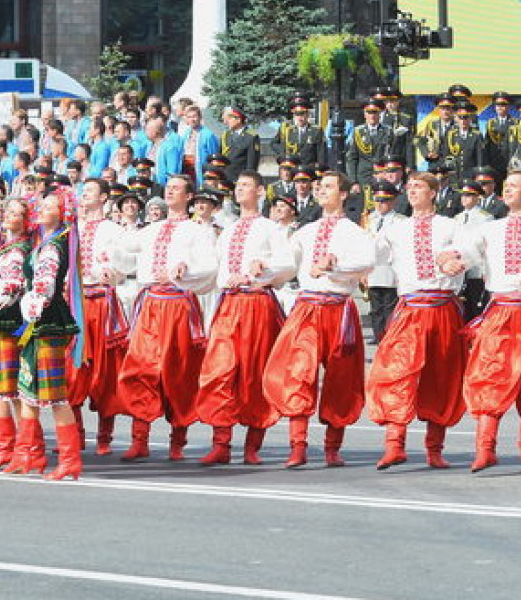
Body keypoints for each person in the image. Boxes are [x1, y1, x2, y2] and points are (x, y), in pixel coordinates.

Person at [440, 170, 521, 472]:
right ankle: (485, 448)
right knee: (490, 374)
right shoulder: (490, 228)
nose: (508, 191)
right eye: (506, 186)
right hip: (500, 310)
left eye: (515, 186)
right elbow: (467, 248)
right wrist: (453, 258)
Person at [262, 170, 375, 468]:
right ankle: (298, 445)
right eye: (319, 186)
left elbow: (367, 261)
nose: (322, 190)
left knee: (341, 378)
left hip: (339, 308)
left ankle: (332, 448)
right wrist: (263, 268)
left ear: (344, 192)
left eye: (328, 186)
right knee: (299, 371)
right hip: (308, 307)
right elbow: (286, 263)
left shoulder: (355, 233)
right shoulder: (305, 232)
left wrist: (335, 265)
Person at [365, 172, 466, 470]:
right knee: (396, 371)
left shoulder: (450, 225)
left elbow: (467, 251)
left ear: (434, 192)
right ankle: (394, 444)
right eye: (409, 187)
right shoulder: (397, 228)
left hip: (442, 306)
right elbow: (370, 254)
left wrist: (453, 260)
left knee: (442, 376)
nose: (412, 191)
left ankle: (435, 449)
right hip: (410, 307)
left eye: (419, 187)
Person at [117, 174, 218, 461]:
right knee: (140, 368)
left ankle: (178, 440)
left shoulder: (198, 231)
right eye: (169, 187)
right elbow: (124, 251)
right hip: (150, 303)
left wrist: (185, 270)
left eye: (177, 188)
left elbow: (209, 268)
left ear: (189, 197)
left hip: (178, 305)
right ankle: (140, 438)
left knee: (180, 372)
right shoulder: (151, 229)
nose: (171, 191)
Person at [196, 170, 294, 465]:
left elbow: (288, 264)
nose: (239, 190)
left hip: (256, 304)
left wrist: (263, 267)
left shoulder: (271, 228)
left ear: (260, 191)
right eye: (237, 185)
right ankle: (221, 442)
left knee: (254, 372)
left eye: (246, 185)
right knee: (220, 369)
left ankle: (253, 445)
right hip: (228, 304)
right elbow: (214, 268)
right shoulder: (227, 230)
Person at [17, 187, 86, 480]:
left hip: (47, 319)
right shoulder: (44, 241)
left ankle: (70, 459)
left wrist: (35, 301)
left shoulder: (55, 244)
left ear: (62, 213)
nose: (42, 209)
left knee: (54, 394)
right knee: (28, 389)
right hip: (39, 318)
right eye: (41, 205)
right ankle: (29, 453)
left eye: (49, 206)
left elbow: (46, 281)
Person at [69, 178, 132, 456]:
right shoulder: (73, 229)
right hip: (76, 304)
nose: (84, 196)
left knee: (105, 371)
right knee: (73, 370)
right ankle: (76, 434)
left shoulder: (114, 230)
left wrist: (113, 270)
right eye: (84, 191)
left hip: (101, 303)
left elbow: (127, 261)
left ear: (104, 197)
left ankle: (104, 436)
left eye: (90, 191)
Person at [363, 182, 403, 343]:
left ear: (393, 201)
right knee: (375, 307)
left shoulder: (400, 221)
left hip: (390, 269)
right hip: (373, 269)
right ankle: (378, 334)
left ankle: (389, 335)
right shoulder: (369, 219)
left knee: (390, 305)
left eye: (384, 200)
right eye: (377, 200)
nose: (380, 204)